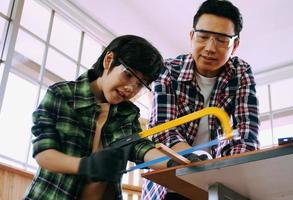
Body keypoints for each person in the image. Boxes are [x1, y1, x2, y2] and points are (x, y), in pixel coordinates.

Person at [24, 35, 174, 200]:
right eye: (128, 75)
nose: (131, 88)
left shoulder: (128, 113)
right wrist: (87, 166)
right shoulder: (62, 95)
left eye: (140, 84)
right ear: (109, 60)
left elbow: (140, 147)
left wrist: (173, 163)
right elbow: (44, 154)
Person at [142, 0, 260, 199]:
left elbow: (246, 133)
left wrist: (223, 172)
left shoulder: (241, 72)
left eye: (222, 40)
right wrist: (196, 160)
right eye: (203, 37)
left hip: (218, 182)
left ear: (235, 45)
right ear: (191, 37)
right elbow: (163, 129)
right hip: (171, 183)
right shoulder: (169, 70)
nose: (210, 48)